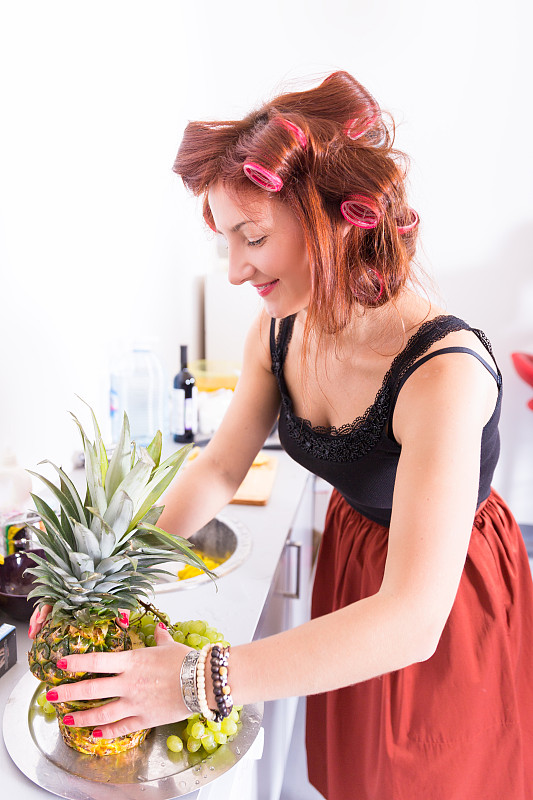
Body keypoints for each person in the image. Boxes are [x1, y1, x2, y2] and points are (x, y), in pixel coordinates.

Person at [29, 71, 533, 799]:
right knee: (355, 773)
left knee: (429, 773)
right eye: (226, 242)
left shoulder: (443, 373)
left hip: (440, 595)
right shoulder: (279, 325)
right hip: (357, 562)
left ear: (332, 219)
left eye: (253, 237)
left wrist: (196, 682)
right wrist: (106, 576)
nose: (235, 270)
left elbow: (411, 620)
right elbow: (219, 469)